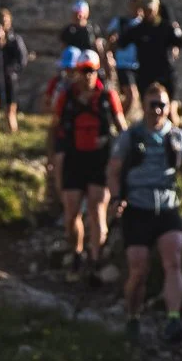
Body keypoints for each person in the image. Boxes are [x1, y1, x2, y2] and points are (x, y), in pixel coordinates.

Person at [107, 83, 182, 345]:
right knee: (138, 268)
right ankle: (133, 314)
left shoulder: (177, 137)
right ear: (144, 105)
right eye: (153, 104)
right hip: (137, 207)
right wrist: (117, 198)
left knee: (173, 258)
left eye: (162, 104)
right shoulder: (130, 136)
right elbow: (113, 170)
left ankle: (173, 318)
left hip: (166, 206)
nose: (158, 110)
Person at [56, 50, 127, 279]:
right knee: (71, 213)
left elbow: (122, 126)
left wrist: (125, 156)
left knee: (97, 211)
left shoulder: (108, 97)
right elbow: (55, 128)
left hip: (100, 160)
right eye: (83, 70)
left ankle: (96, 259)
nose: (86, 75)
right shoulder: (67, 97)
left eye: (91, 71)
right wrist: (53, 158)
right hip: (74, 158)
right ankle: (76, 253)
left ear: (97, 71)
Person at [114, 0, 182, 126]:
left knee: (170, 112)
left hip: (165, 73)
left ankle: (174, 140)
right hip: (146, 74)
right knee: (148, 112)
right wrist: (112, 43)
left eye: (150, 9)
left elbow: (179, 40)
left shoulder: (165, 27)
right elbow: (121, 43)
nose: (148, 13)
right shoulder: (137, 30)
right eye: (145, 9)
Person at [0, 8, 29, 134]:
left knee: (10, 111)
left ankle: (11, 135)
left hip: (9, 79)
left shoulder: (15, 40)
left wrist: (13, 71)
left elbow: (21, 60)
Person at [44, 47, 81, 204]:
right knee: (60, 171)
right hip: (63, 135)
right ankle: (64, 206)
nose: (69, 72)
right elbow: (48, 108)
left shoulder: (92, 90)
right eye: (66, 68)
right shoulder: (57, 83)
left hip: (82, 139)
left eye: (72, 68)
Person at [105, 0, 142, 119]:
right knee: (131, 95)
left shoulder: (144, 24)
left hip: (139, 65)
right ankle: (118, 120)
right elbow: (109, 40)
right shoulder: (121, 22)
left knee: (133, 96)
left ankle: (115, 116)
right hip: (123, 64)